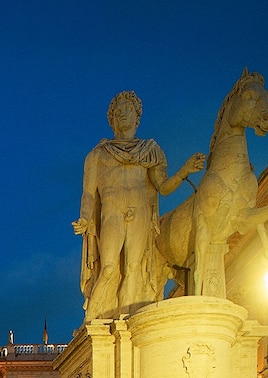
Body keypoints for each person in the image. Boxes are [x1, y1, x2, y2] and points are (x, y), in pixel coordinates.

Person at [73, 90, 205, 323]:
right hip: (111, 214)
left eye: (128, 109)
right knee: (110, 267)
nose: (123, 114)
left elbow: (163, 187)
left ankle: (128, 321)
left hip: (140, 212)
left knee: (134, 267)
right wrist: (84, 218)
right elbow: (88, 194)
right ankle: (90, 321)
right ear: (111, 119)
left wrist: (184, 170)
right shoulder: (97, 155)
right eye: (118, 111)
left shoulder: (150, 151)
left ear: (137, 117)